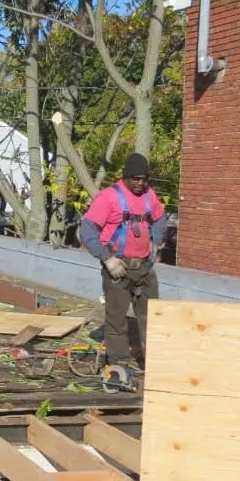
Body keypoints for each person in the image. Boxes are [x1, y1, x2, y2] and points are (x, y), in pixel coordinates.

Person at [79, 153, 168, 371]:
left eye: (144, 179)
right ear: (126, 177)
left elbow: (159, 219)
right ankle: (119, 366)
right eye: (136, 178)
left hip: (145, 268)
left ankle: (154, 365)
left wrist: (155, 243)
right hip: (119, 268)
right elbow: (87, 230)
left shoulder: (150, 196)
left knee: (152, 318)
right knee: (116, 320)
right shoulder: (108, 197)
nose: (141, 183)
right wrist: (107, 259)